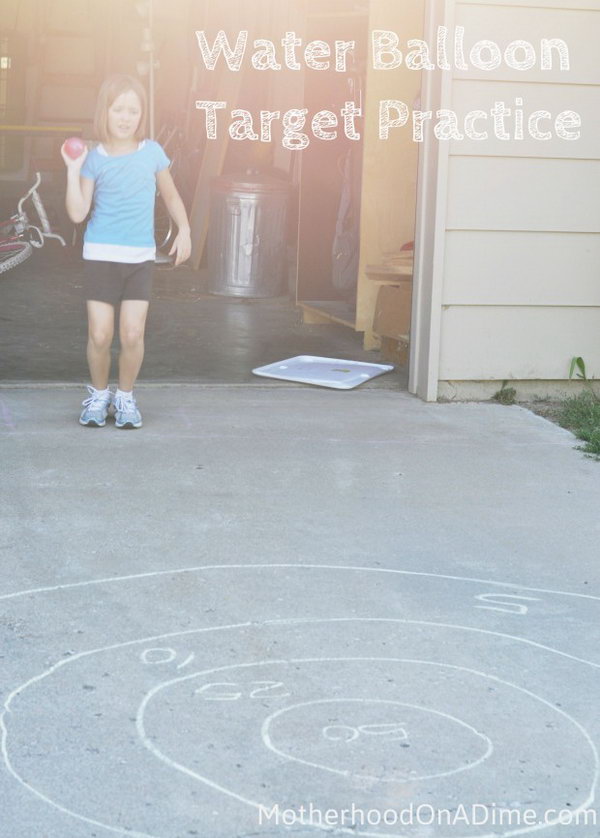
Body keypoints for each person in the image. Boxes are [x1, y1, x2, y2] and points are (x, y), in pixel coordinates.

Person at [62, 73, 191, 429]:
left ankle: (126, 397)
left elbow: (171, 195)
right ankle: (100, 394)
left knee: (133, 333)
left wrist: (186, 229)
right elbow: (77, 212)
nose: (125, 117)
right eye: (118, 109)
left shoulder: (152, 152)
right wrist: (73, 171)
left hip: (138, 259)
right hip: (101, 256)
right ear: (105, 112)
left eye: (133, 110)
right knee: (101, 335)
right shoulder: (94, 158)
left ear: (141, 115)